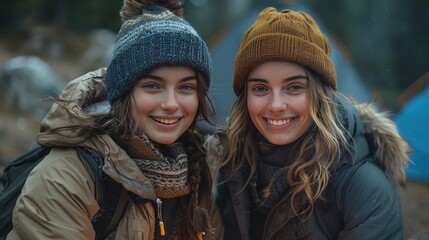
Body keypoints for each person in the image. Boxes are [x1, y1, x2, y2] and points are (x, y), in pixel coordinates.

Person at [7, 0, 216, 239]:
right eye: (151, 86)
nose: (171, 103)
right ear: (123, 93)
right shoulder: (68, 177)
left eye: (186, 87)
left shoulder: (193, 166)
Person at [205, 7, 410, 240]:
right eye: (260, 88)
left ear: (320, 95)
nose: (276, 105)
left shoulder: (361, 187)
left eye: (294, 87)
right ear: (245, 98)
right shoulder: (235, 167)